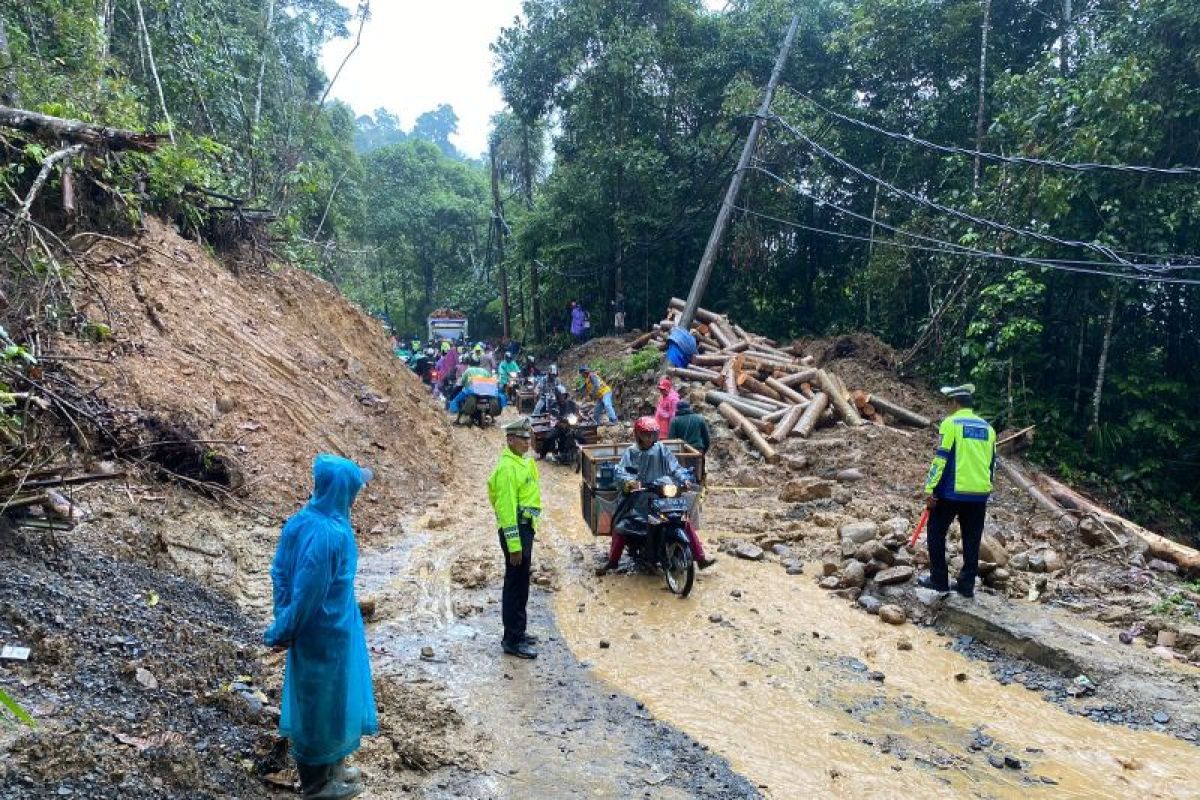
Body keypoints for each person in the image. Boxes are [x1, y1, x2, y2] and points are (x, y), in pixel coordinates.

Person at [264, 454, 377, 800]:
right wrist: (284, 629)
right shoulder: (329, 534)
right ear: (343, 491)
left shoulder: (301, 522)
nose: (356, 496)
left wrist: (282, 615)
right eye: (354, 489)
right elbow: (307, 594)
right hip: (325, 635)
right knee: (318, 704)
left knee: (334, 698)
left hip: (335, 631)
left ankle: (334, 766)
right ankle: (317, 784)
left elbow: (280, 575)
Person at [597, 417, 715, 574]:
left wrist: (685, 479)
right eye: (646, 434)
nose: (650, 438)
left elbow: (675, 467)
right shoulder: (631, 452)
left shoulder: (661, 449)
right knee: (622, 526)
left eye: (653, 434)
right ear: (638, 434)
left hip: (660, 495)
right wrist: (631, 481)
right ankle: (612, 561)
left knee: (682, 521)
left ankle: (700, 558)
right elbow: (620, 471)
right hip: (638, 498)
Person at [918, 383, 997, 599]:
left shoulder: (951, 423)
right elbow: (992, 464)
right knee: (972, 538)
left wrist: (930, 489)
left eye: (948, 403)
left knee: (936, 532)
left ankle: (939, 580)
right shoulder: (988, 429)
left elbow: (941, 458)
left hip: (951, 492)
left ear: (954, 403)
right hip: (979, 494)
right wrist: (985, 488)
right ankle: (966, 585)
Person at [487, 418, 543, 659]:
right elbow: (506, 510)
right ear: (510, 440)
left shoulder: (520, 463)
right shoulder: (507, 469)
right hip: (516, 532)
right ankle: (512, 639)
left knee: (521, 584)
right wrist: (514, 547)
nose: (527, 443)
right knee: (515, 584)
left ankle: (518, 632)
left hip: (525, 529)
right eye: (522, 439)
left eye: (528, 439)